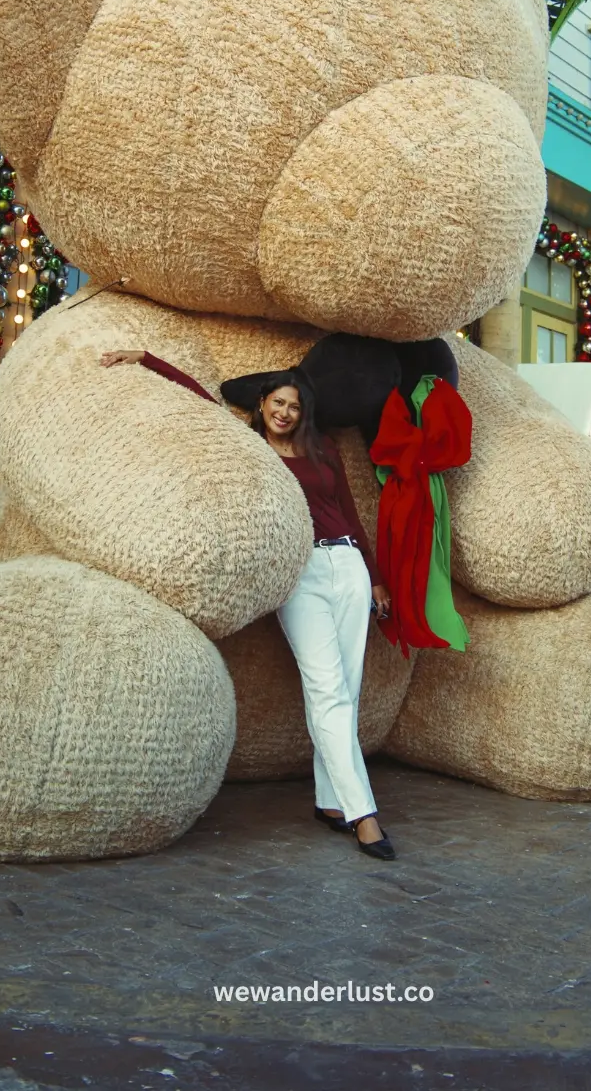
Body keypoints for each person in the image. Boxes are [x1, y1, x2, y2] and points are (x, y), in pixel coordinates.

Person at [100, 351, 395, 860]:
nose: (285, 413)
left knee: (345, 687)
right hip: (297, 574)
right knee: (327, 689)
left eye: (295, 407)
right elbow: (201, 403)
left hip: (346, 568)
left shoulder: (323, 448)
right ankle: (363, 815)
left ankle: (330, 802)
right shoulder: (251, 448)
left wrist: (374, 577)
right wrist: (145, 360)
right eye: (278, 403)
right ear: (262, 404)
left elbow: (347, 512)